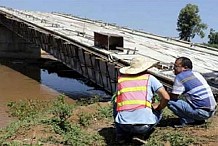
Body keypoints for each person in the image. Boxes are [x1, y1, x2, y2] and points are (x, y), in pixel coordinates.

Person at [113, 56, 170, 143]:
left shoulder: (122, 80)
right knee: (158, 109)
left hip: (123, 125)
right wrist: (158, 107)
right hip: (144, 126)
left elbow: (118, 98)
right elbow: (166, 97)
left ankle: (120, 136)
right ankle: (140, 134)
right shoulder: (149, 78)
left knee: (116, 103)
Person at [168, 57, 217, 128]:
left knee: (169, 101)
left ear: (185, 67)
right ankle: (197, 119)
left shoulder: (180, 77)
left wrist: (164, 93)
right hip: (211, 111)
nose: (174, 68)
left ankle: (189, 121)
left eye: (176, 66)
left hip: (201, 112)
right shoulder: (197, 74)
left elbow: (174, 96)